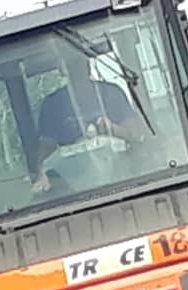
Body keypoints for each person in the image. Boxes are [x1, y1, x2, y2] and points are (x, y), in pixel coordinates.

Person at [29, 58, 147, 193]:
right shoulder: (53, 104)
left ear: (88, 64)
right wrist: (41, 174)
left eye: (79, 61)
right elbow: (45, 151)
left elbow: (138, 135)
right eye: (71, 63)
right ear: (62, 69)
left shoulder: (111, 93)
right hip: (73, 190)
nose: (77, 68)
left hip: (125, 179)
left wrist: (111, 129)